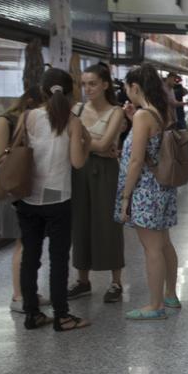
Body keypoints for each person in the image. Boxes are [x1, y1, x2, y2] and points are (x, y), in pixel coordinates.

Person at [15, 67, 91, 331]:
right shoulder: (72, 121)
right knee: (58, 259)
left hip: (28, 197)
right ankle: (62, 316)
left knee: (30, 257)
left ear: (41, 91)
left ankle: (32, 314)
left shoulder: (28, 117)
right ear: (70, 92)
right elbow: (78, 163)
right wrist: (87, 143)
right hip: (58, 198)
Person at [115, 64, 181, 321]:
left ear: (135, 87)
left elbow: (135, 160)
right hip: (162, 187)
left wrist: (125, 196)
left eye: (126, 88)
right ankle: (170, 294)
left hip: (145, 189)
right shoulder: (160, 113)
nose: (126, 94)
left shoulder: (144, 116)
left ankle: (155, 305)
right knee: (164, 243)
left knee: (151, 247)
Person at [67, 63, 126, 304]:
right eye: (84, 84)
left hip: (106, 172)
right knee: (80, 221)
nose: (87, 89)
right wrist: (96, 143)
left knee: (108, 221)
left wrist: (81, 140)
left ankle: (116, 281)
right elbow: (96, 144)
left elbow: (104, 146)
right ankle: (83, 279)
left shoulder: (116, 111)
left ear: (104, 84)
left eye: (92, 84)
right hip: (78, 170)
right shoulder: (77, 109)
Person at [0, 87, 50, 314]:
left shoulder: (33, 123)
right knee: (22, 242)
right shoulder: (4, 121)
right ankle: (18, 295)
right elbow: (0, 159)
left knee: (31, 243)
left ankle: (29, 291)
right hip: (11, 190)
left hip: (29, 189)